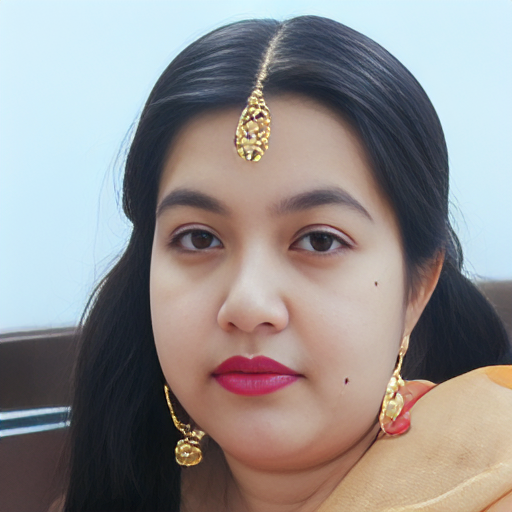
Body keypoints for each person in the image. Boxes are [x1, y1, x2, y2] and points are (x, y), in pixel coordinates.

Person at [62, 16, 512, 511]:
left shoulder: (489, 488)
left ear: (417, 288)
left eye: (319, 241)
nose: (248, 305)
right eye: (199, 238)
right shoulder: (130, 489)